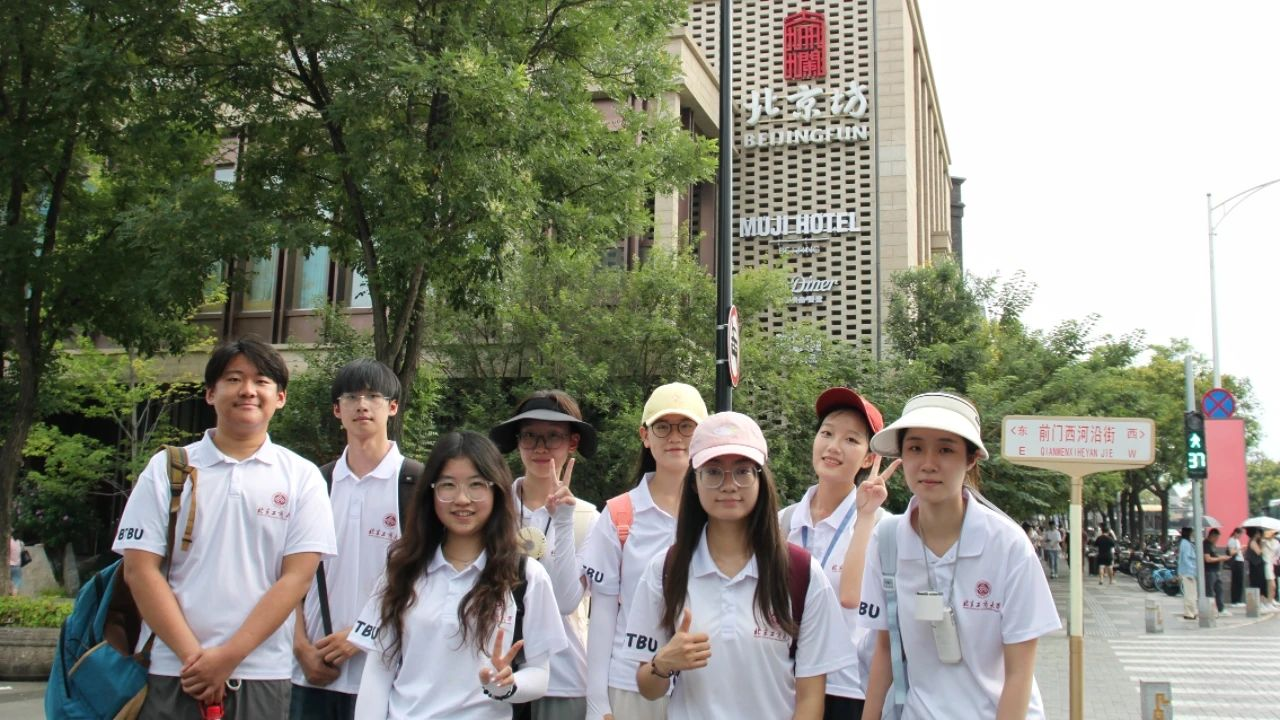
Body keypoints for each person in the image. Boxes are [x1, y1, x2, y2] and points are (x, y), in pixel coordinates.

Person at [114, 336, 338, 718]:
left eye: (261, 381)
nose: (247, 390)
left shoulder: (302, 477)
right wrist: (194, 658)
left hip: (262, 672)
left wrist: (228, 657)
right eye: (234, 379)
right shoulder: (168, 468)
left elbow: (296, 578)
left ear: (280, 397)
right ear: (210, 393)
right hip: (174, 668)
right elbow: (139, 569)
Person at [622, 412, 855, 719]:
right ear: (694, 483)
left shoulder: (801, 573)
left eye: (743, 471)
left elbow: (811, 697)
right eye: (713, 472)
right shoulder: (665, 569)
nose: (729, 485)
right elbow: (647, 687)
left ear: (761, 479)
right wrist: (662, 664)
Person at [858, 392, 1060, 719]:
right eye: (915, 448)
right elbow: (884, 651)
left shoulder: (1008, 546)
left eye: (946, 449)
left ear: (971, 459)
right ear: (902, 455)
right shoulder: (887, 540)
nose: (928, 463)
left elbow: (1019, 672)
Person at [351, 431, 568, 718]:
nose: (462, 499)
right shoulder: (403, 568)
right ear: (431, 492)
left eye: (476, 485)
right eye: (448, 485)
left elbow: (539, 673)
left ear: (496, 491)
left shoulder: (525, 576)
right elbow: (379, 669)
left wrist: (506, 685)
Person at [290, 359, 423, 720]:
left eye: (373, 396)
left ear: (392, 407)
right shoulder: (314, 484)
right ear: (337, 410)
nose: (362, 405)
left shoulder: (416, 483)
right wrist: (300, 647)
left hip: (388, 671)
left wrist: (362, 634)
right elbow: (287, 575)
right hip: (313, 671)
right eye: (351, 397)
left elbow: (428, 576)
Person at [579, 382, 707, 720]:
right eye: (663, 427)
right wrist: (597, 701)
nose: (675, 437)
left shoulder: (721, 511)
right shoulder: (620, 514)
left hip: (706, 683)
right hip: (631, 685)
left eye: (686, 426)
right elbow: (603, 612)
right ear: (645, 435)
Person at [778, 386, 888, 720]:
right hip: (785, 681)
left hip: (847, 687)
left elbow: (852, 598)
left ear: (869, 458)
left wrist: (865, 516)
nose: (833, 446)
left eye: (851, 439)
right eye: (826, 433)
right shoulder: (783, 522)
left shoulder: (882, 527)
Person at [489, 390, 596, 719]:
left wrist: (563, 522)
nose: (540, 447)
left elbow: (565, 602)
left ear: (572, 443)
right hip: (495, 672)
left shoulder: (588, 518)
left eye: (553, 437)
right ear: (518, 441)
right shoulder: (491, 511)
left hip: (562, 680)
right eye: (530, 436)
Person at [1202, 528, 1230, 616]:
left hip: (1216, 571)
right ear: (1212, 536)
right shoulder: (1206, 544)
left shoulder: (1212, 545)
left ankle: (1221, 609)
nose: (1217, 540)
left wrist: (1221, 557)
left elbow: (1214, 556)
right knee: (1210, 591)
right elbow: (1207, 559)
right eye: (1216, 538)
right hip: (1209, 571)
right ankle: (1210, 610)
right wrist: (1220, 558)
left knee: (1219, 590)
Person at [1177, 526, 1198, 620]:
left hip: (1190, 571)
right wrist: (1192, 569)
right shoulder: (1185, 543)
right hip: (1188, 572)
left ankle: (1192, 611)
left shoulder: (1186, 543)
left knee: (1192, 593)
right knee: (1190, 593)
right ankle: (1189, 613)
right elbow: (1186, 559)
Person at [1227, 527, 1246, 607]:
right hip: (1236, 562)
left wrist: (1241, 550)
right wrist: (1240, 548)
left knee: (1240, 581)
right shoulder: (1231, 540)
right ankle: (1235, 601)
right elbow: (1231, 552)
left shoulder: (1237, 541)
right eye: (1239, 534)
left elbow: (1238, 551)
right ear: (1235, 533)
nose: (1240, 536)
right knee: (1236, 581)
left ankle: (1238, 600)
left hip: (1240, 561)